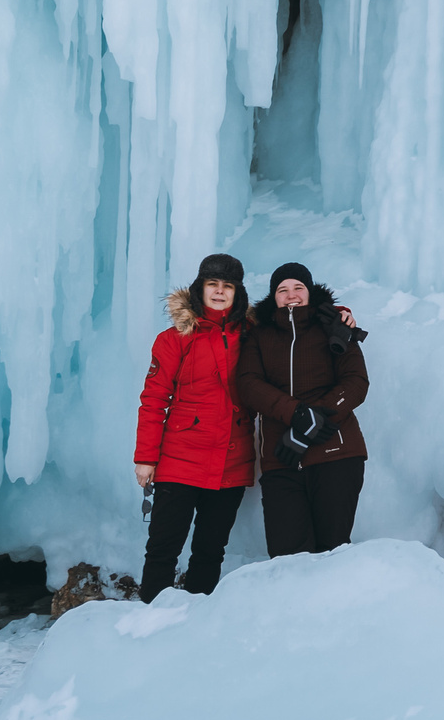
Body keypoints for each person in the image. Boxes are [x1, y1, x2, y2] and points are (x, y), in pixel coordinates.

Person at [132, 253, 256, 599]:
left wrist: (336, 312)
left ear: (237, 293)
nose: (219, 291)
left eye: (227, 286)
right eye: (213, 284)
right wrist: (146, 457)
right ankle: (151, 620)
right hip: (179, 461)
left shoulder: (252, 334)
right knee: (163, 548)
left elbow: (295, 322)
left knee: (210, 550)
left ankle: (196, 624)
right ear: (200, 288)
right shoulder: (174, 339)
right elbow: (154, 399)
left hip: (232, 460)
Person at [234, 261, 369, 556]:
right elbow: (249, 383)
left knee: (332, 551)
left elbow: (356, 382)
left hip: (337, 454)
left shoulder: (333, 326)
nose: (291, 294)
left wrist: (315, 420)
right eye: (283, 290)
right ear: (274, 296)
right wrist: (297, 414)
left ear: (310, 292)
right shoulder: (260, 334)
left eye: (298, 287)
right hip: (281, 459)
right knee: (287, 556)